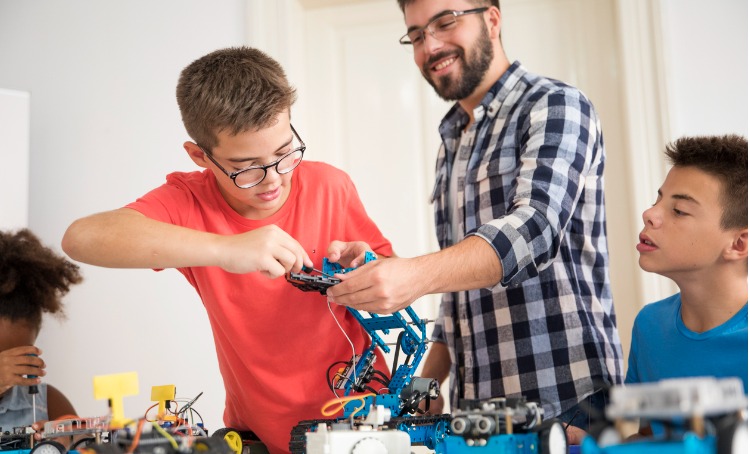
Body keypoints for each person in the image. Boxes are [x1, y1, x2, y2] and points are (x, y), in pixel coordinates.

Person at [61, 47, 393, 453]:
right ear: (200, 155)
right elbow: (81, 238)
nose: (274, 180)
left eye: (285, 153)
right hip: (258, 440)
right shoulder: (189, 203)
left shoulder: (330, 186)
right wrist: (226, 249)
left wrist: (370, 269)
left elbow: (394, 287)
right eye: (247, 166)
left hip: (367, 429)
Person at [326, 0, 623, 443]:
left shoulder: (555, 106)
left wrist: (413, 275)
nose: (431, 45)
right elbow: (458, 292)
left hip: (569, 402)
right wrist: (424, 389)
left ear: (492, 19)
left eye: (445, 22)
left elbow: (534, 230)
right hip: (477, 419)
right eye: (416, 34)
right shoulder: (452, 141)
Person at [627, 135, 748, 393]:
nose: (649, 214)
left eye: (679, 210)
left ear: (738, 244)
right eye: (657, 201)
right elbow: (651, 432)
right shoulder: (649, 326)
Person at [0, 228, 79, 429]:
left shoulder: (49, 405)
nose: (6, 370)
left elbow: (85, 446)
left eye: (18, 359)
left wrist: (63, 442)